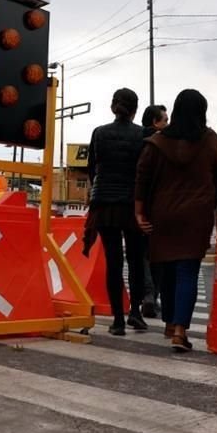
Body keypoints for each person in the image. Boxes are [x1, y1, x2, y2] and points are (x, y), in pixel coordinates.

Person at [135, 89, 217, 352]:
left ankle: (169, 323)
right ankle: (180, 331)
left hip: (163, 214)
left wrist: (139, 212)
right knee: (187, 272)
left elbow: (142, 178)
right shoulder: (209, 141)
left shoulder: (157, 142)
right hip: (195, 216)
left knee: (167, 269)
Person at [84, 88, 147, 335]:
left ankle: (118, 319)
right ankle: (136, 313)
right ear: (135, 110)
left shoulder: (99, 133)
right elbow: (144, 171)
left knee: (113, 260)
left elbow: (92, 169)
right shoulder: (142, 135)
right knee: (136, 259)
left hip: (105, 203)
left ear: (113, 107)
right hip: (132, 204)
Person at [138, 105, 168, 319]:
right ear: (155, 122)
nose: (167, 124)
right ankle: (152, 295)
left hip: (138, 204)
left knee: (141, 255)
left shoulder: (135, 140)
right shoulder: (163, 144)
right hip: (159, 206)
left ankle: (147, 296)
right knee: (157, 254)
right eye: (164, 120)